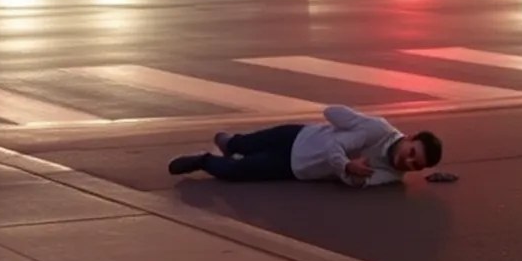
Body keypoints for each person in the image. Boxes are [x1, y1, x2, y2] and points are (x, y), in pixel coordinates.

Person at [168, 105, 442, 187]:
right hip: (299, 136)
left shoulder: (393, 175)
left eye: (415, 165)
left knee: (236, 172)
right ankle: (232, 143)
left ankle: (202, 160)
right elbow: (334, 139)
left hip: (296, 166)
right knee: (244, 144)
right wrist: (347, 163)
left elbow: (356, 181)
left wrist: (351, 172)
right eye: (412, 153)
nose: (408, 162)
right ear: (409, 138)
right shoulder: (377, 130)